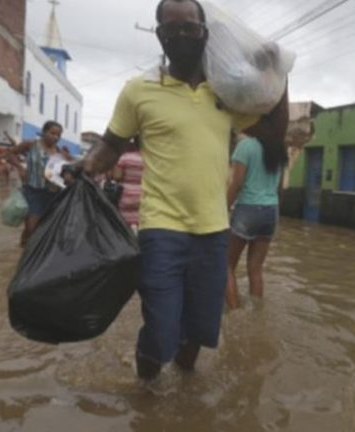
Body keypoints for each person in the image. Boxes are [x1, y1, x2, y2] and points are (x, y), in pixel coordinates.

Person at [78, 0, 288, 382]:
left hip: (212, 232)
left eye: (189, 28)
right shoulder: (139, 91)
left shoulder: (226, 95)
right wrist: (87, 165)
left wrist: (278, 74)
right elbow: (111, 143)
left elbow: (274, 131)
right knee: (160, 332)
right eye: (170, 29)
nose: (180, 36)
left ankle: (183, 396)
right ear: (159, 35)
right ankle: (146, 395)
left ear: (204, 32)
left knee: (200, 334)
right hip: (161, 229)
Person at [225, 133, 287, 309]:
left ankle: (235, 312)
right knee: (256, 268)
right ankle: (256, 315)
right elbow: (280, 187)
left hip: (248, 208)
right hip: (271, 210)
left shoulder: (246, 146)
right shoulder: (278, 148)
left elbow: (236, 183)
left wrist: (223, 209)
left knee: (226, 265)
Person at [4, 121, 73, 246]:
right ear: (44, 132)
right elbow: (10, 154)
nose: (55, 137)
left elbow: (70, 166)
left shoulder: (59, 153)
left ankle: (30, 250)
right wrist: (20, 167)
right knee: (32, 227)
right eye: (52, 133)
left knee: (45, 228)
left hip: (52, 194)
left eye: (58, 135)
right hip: (33, 191)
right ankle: (24, 250)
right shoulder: (30, 145)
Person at [112, 140, 144, 233]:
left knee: (124, 227)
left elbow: (117, 177)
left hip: (125, 195)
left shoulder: (124, 158)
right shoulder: (148, 159)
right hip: (143, 195)